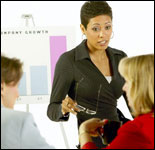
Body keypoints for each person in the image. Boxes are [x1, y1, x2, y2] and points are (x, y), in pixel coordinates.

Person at [47, 1, 130, 148]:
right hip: (90, 142)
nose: (102, 34)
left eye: (107, 27)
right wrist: (63, 108)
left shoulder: (120, 57)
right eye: (95, 28)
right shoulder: (69, 61)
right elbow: (52, 109)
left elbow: (135, 103)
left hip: (121, 140)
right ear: (83, 29)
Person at [79, 54, 154, 149]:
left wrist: (84, 132)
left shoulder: (136, 129)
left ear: (140, 86)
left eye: (127, 81)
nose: (124, 87)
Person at [1, 55, 55, 149]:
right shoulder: (18, 122)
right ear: (2, 87)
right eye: (16, 86)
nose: (17, 95)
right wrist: (84, 133)